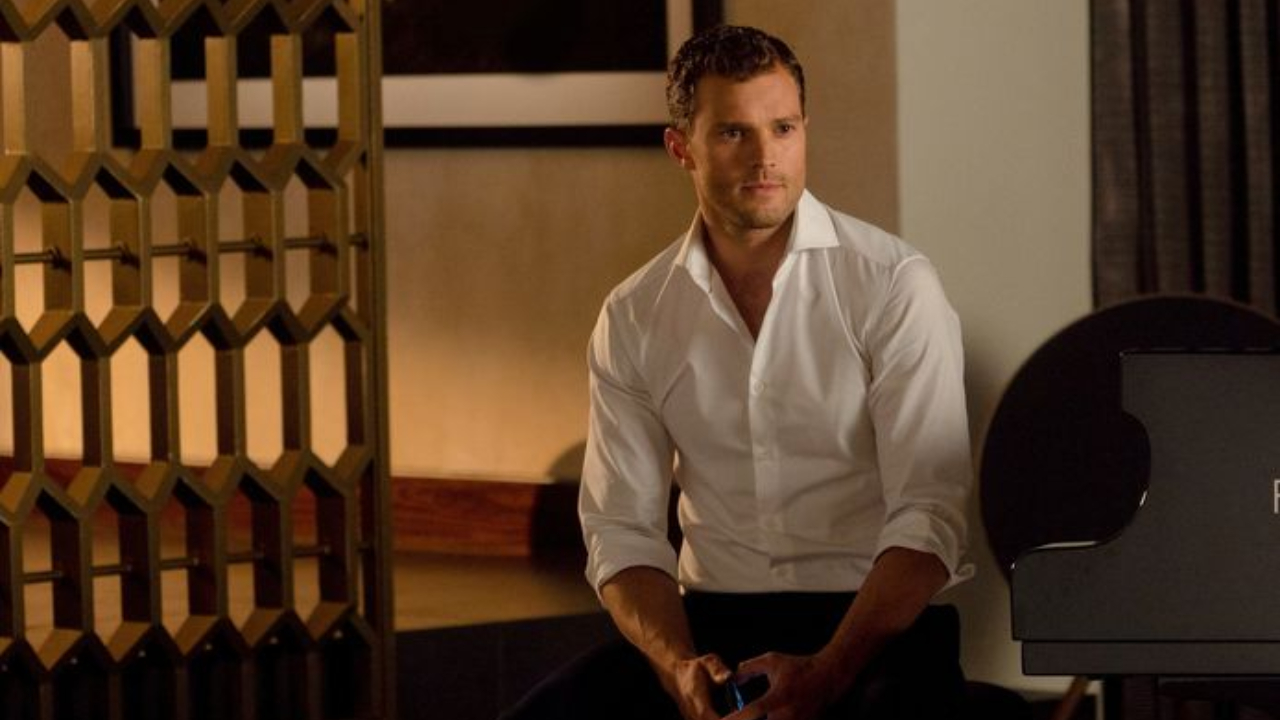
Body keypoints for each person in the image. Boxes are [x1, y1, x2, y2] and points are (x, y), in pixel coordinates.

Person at [502, 24, 972, 720]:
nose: (765, 157)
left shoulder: (893, 285)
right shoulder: (635, 314)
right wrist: (677, 668)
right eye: (732, 133)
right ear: (680, 148)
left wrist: (828, 673)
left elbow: (929, 517)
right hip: (710, 630)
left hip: (876, 631)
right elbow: (621, 531)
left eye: (783, 128)